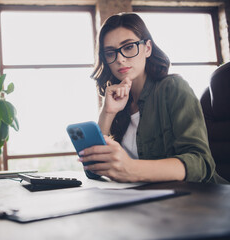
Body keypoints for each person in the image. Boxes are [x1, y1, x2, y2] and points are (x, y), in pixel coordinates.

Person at [79, 12, 227, 183]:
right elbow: (93, 170)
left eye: (128, 47)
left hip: (198, 200)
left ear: (147, 48)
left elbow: (201, 164)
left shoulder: (173, 88)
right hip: (145, 200)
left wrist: (131, 169)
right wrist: (108, 112)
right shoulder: (119, 103)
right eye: (110, 53)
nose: (119, 59)